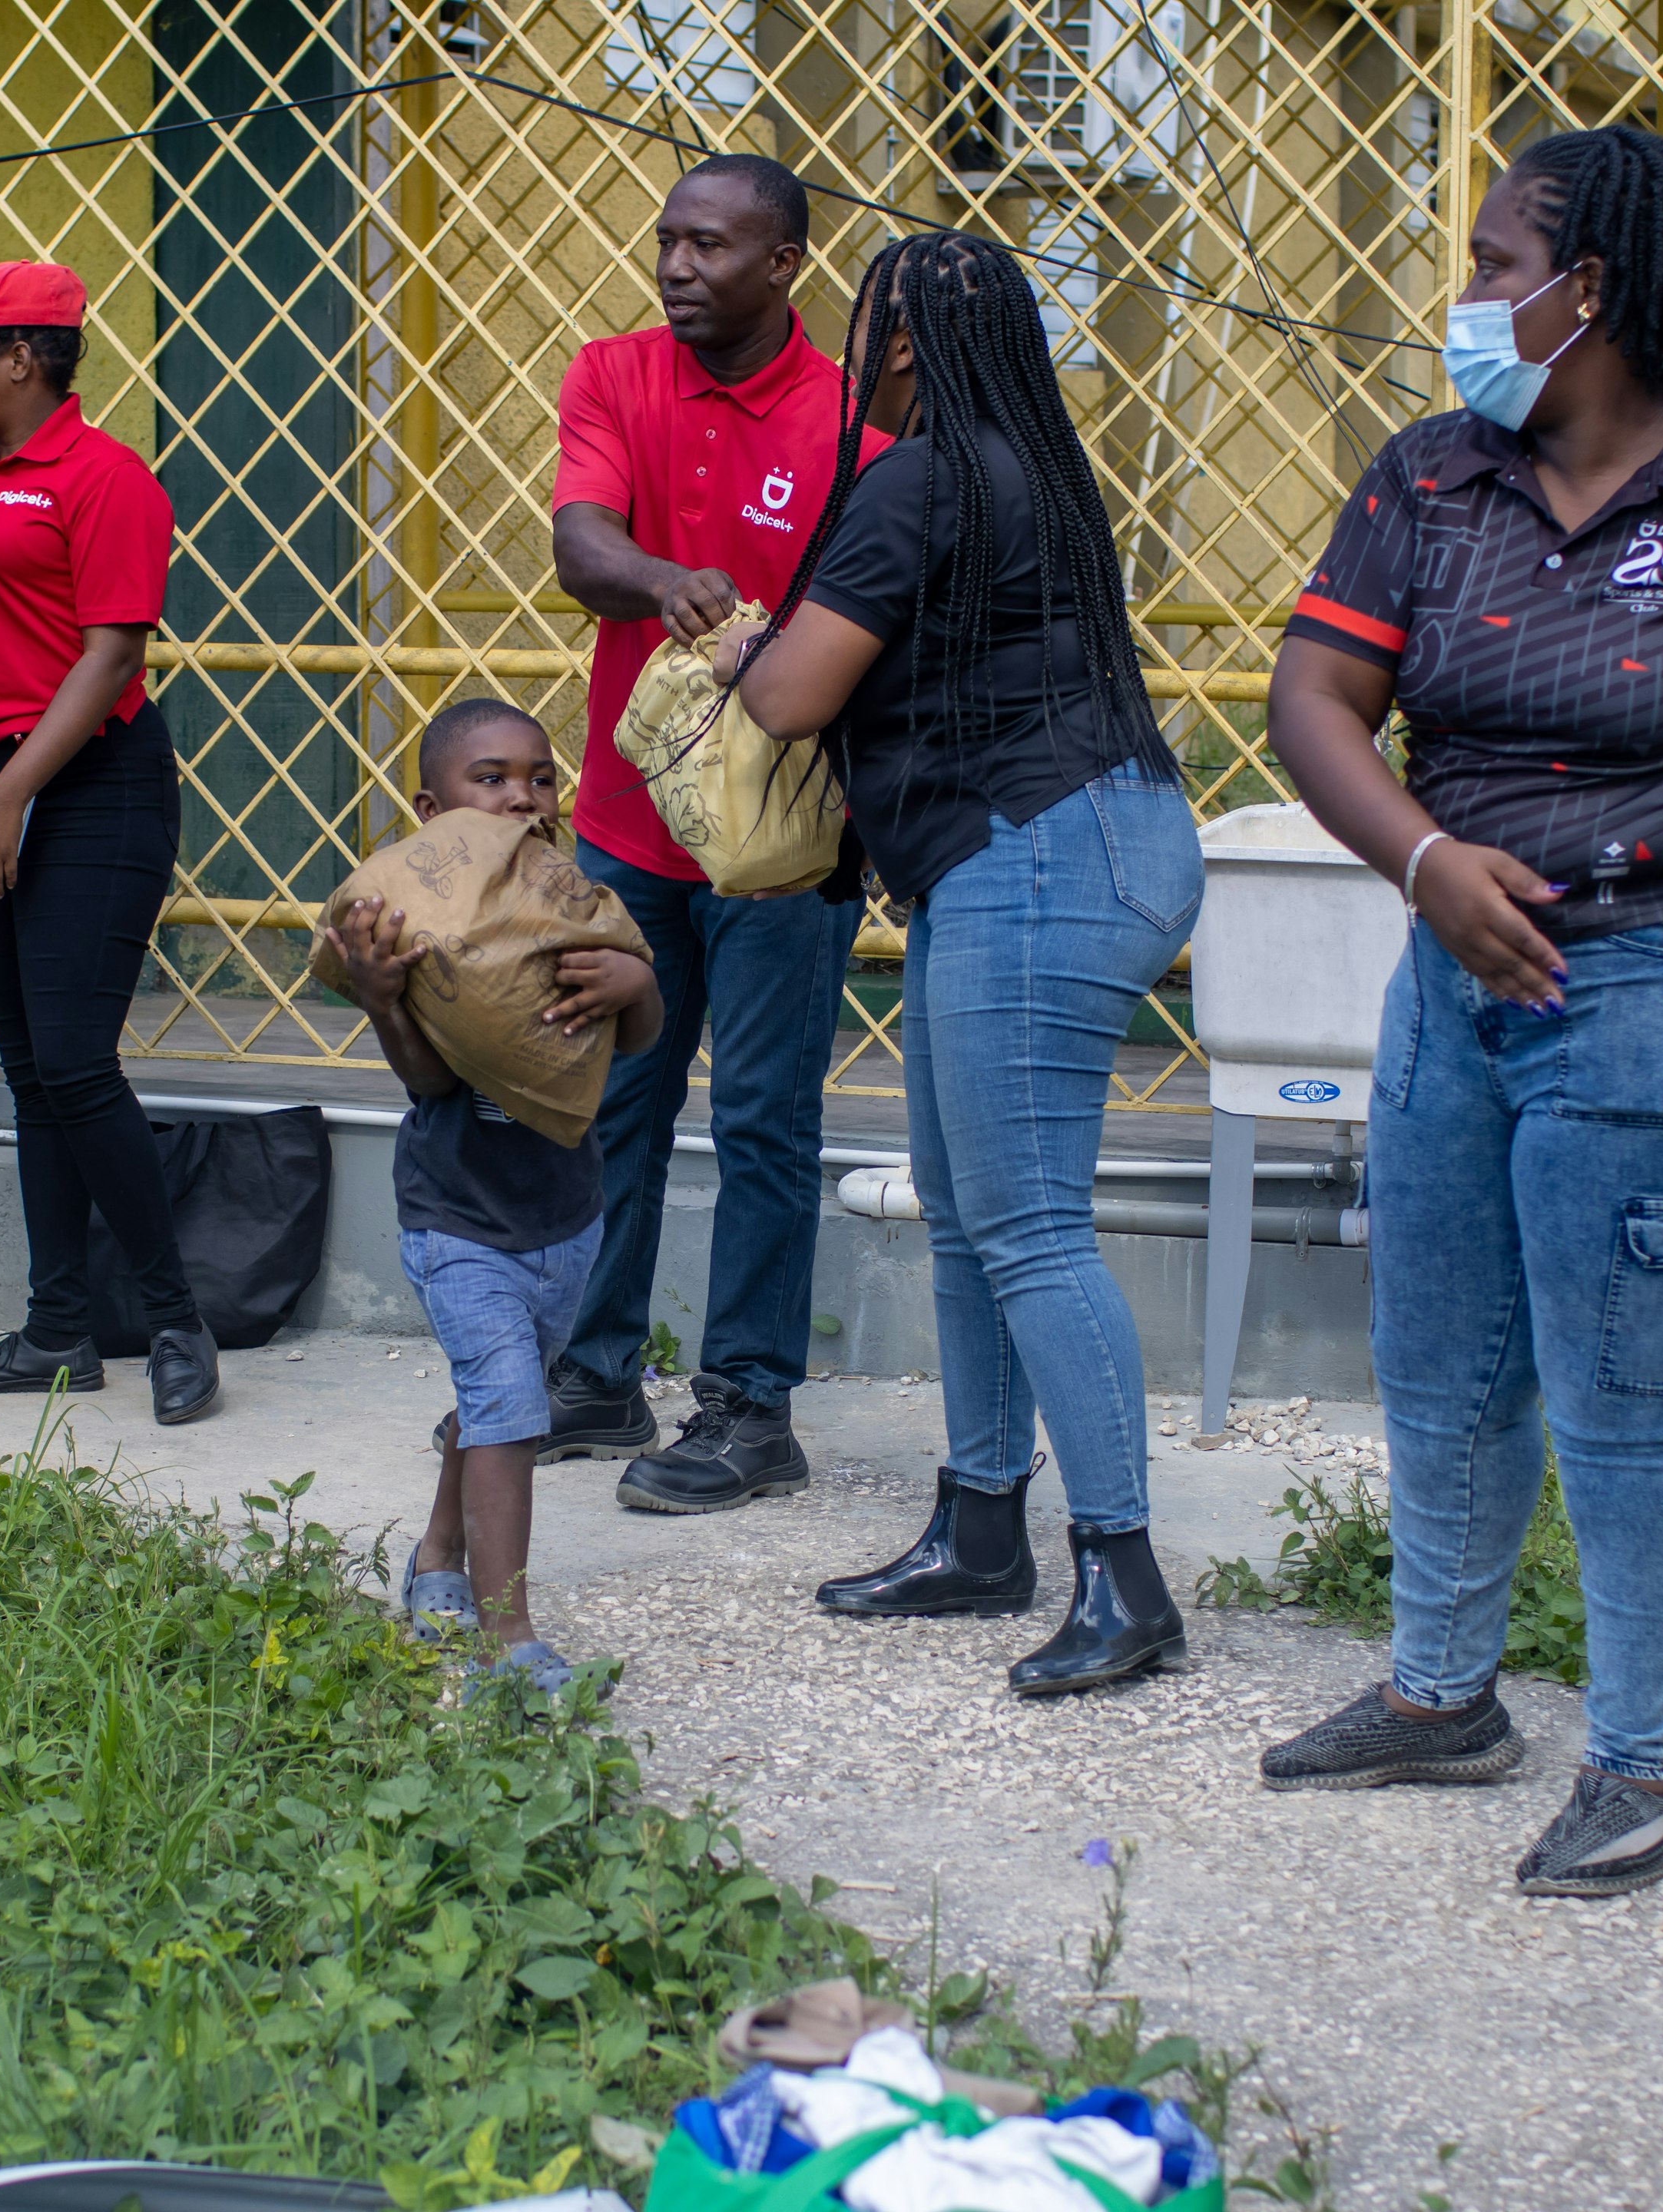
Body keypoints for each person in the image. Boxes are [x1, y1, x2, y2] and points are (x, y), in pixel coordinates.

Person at [1252, 125, 1663, 1896]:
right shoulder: (1425, 479)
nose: (1463, 297)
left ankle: (1638, 1763)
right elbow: (1314, 691)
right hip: (1450, 983)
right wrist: (1417, 864)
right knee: (1440, 1364)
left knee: (1633, 1397)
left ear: (1588, 290)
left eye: (1488, 263)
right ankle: (1437, 1694)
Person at [734, 230, 1204, 1696]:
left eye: (863, 325)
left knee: (1031, 1227)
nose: (848, 348)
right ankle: (979, 1528)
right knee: (968, 1215)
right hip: (1058, 842)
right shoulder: (1036, 473)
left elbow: (799, 690)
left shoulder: (922, 475)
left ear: (898, 347)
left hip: (1038, 850)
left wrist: (744, 645)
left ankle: (1125, 1581)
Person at [547, 152, 880, 1512]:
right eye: (669, 240)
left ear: (785, 261)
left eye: (712, 247)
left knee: (760, 1119)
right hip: (631, 828)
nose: (680, 267)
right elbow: (581, 548)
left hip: (787, 848)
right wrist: (661, 576)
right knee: (610, 1098)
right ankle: (595, 1372)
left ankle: (750, 1405)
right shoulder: (614, 372)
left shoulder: (855, 423)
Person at [0, 260, 220, 1422]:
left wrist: (5, 795)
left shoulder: (107, 479)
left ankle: (175, 1319)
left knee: (73, 1061)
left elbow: (110, 656)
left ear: (26, 357)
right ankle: (57, 1328)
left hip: (92, 791)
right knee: (28, 1072)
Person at [322, 697, 664, 1695]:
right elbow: (432, 1084)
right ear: (434, 807)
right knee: (512, 1412)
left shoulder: (567, 898)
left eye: (539, 776)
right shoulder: (416, 921)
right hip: (460, 1220)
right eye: (493, 778)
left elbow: (637, 1043)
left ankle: (435, 1560)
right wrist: (385, 999)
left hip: (566, 1222)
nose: (522, 794)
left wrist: (630, 984)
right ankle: (507, 1640)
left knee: (492, 1411)